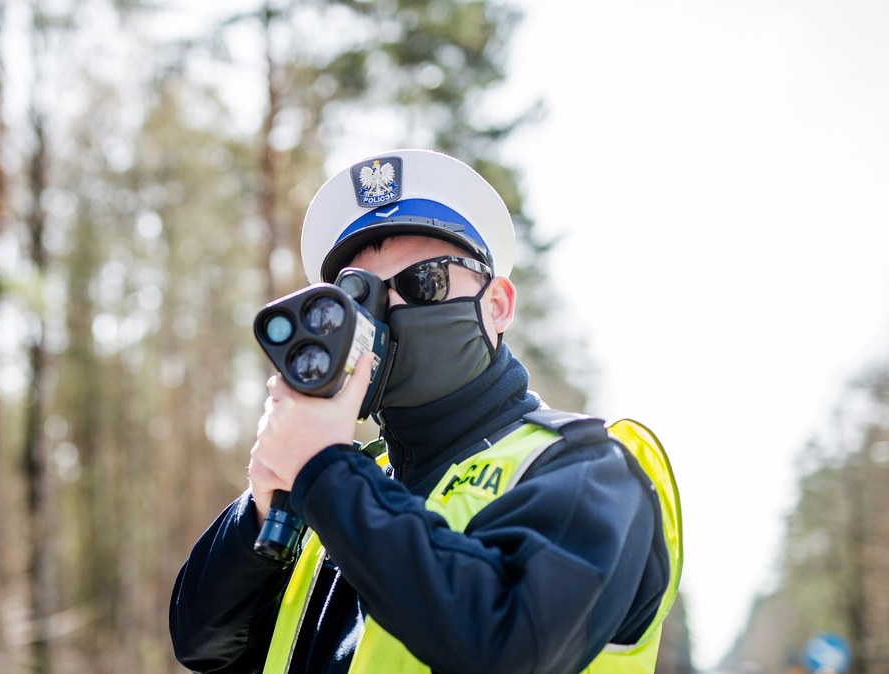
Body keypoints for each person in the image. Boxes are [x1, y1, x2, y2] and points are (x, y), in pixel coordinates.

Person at [169, 149, 682, 674]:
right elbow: (201, 642)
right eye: (360, 297)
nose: (391, 312)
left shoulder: (589, 471)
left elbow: (508, 645)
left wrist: (324, 473)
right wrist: (263, 508)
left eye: (424, 282)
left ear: (498, 305)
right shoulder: (345, 482)